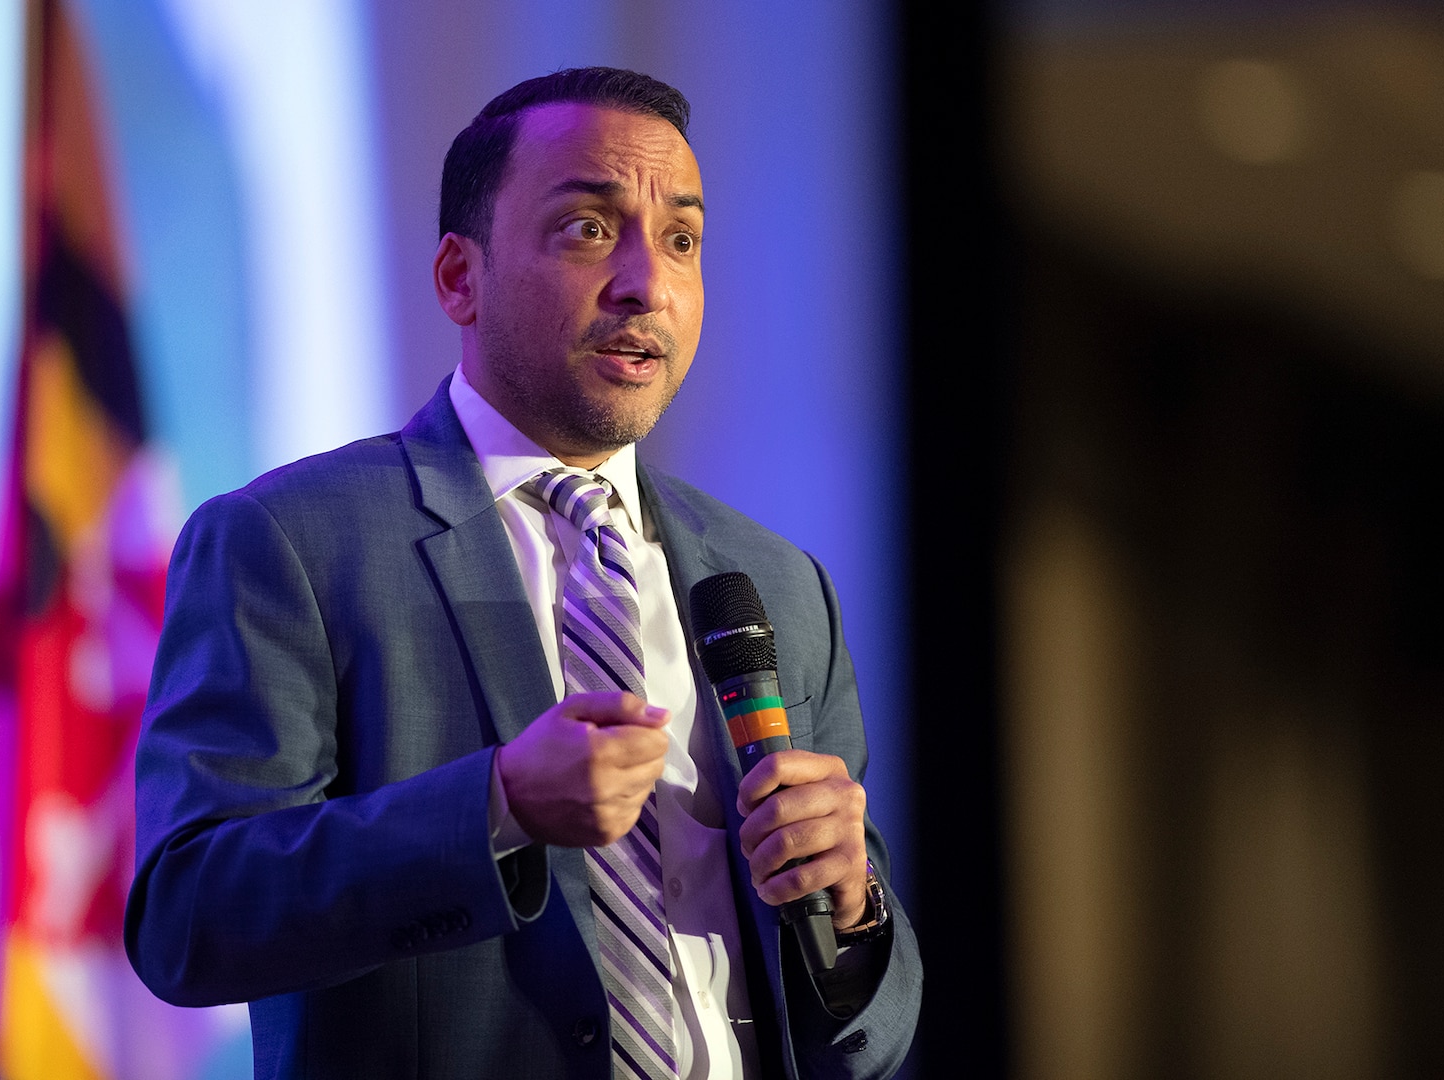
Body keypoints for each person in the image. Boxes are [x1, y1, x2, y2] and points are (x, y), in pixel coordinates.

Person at [126, 67, 920, 1079]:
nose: (647, 283)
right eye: (589, 229)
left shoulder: (777, 585)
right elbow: (191, 918)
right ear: (460, 277)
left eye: (681, 239)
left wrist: (853, 907)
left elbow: (870, 1032)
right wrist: (494, 808)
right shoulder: (290, 541)